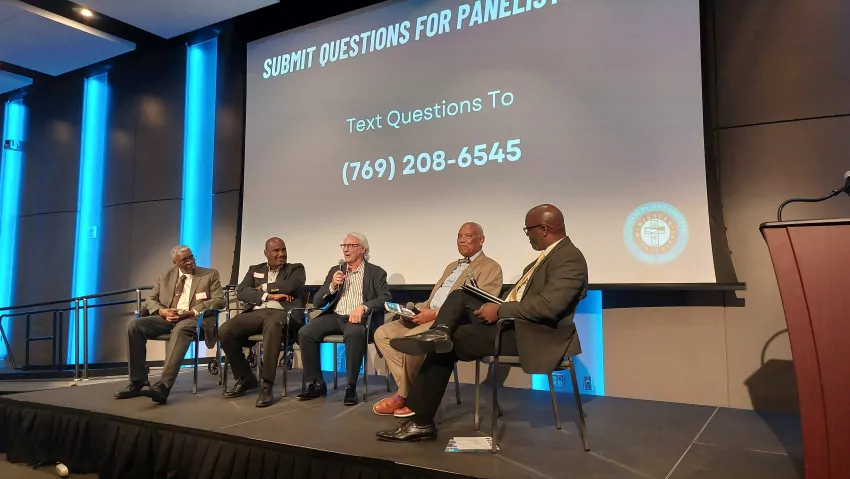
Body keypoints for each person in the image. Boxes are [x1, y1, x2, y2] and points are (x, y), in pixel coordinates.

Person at [375, 204, 588, 441]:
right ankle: (421, 419)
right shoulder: (544, 259)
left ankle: (420, 415)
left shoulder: (569, 259)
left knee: (447, 332)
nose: (527, 237)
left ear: (544, 229)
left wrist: (500, 310)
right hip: (516, 327)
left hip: (535, 336)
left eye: (528, 231)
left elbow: (549, 307)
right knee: (450, 325)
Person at [372, 222, 502, 418]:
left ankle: (406, 396)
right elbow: (434, 299)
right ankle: (412, 392)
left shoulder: (491, 267)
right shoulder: (452, 266)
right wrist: (415, 310)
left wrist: (434, 315)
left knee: (413, 338)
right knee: (383, 333)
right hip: (428, 315)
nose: (462, 240)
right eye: (459, 236)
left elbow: (478, 306)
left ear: (481, 240)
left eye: (468, 236)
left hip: (451, 322)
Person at [114, 245, 225, 405]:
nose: (190, 262)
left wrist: (192, 311)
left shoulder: (209, 274)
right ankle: (138, 383)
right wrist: (163, 312)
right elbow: (151, 300)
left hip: (194, 319)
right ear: (175, 263)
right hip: (168, 317)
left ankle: (163, 386)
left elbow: (219, 300)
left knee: (181, 329)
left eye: (191, 257)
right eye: (184, 260)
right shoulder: (165, 276)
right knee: (134, 325)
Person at [297, 232, 391, 405]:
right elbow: (317, 301)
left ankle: (350, 387)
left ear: (363, 249)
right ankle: (316, 383)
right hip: (335, 315)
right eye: (344, 246)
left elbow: (385, 298)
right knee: (305, 332)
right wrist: (332, 285)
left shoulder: (376, 272)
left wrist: (364, 307)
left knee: (354, 334)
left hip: (358, 319)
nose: (346, 250)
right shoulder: (336, 270)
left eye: (351, 246)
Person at [219, 237, 306, 407]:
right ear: (266, 253)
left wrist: (263, 287)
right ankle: (245, 377)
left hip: (282, 313)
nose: (281, 254)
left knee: (273, 327)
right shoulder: (254, 269)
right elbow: (242, 291)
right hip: (257, 312)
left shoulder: (296, 269)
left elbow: (289, 287)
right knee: (225, 330)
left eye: (283, 250)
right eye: (276, 251)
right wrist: (268, 296)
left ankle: (267, 384)